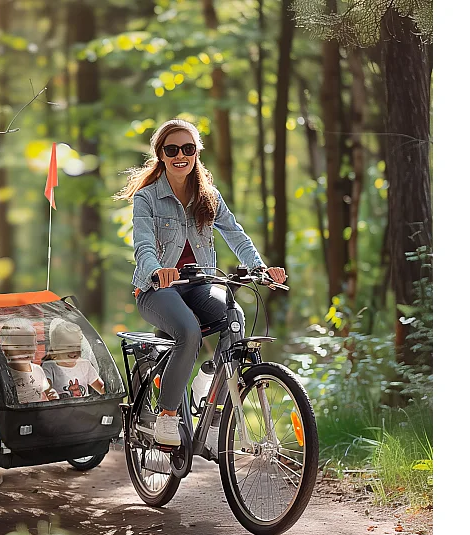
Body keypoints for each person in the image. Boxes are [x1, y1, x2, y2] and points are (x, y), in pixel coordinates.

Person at [114, 118, 287, 445]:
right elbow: (143, 244)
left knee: (234, 318)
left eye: (188, 148)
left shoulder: (208, 196)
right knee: (189, 331)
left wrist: (261, 269)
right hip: (157, 289)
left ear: (197, 153)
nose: (181, 154)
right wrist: (156, 270)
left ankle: (209, 389)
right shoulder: (147, 198)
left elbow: (237, 236)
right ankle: (167, 416)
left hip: (199, 285)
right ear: (161, 154)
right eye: (172, 149)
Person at [0, 317, 59, 403]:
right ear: (5, 349)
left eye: (29, 345)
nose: (25, 350)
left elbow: (47, 389)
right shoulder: (5, 374)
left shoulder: (38, 370)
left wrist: (52, 394)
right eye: (19, 346)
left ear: (35, 345)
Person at [42, 320, 105, 398]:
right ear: (55, 348)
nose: (74, 351)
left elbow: (102, 388)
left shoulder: (85, 365)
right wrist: (51, 393)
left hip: (85, 409)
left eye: (77, 346)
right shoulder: (50, 367)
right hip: (60, 409)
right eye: (69, 347)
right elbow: (46, 386)